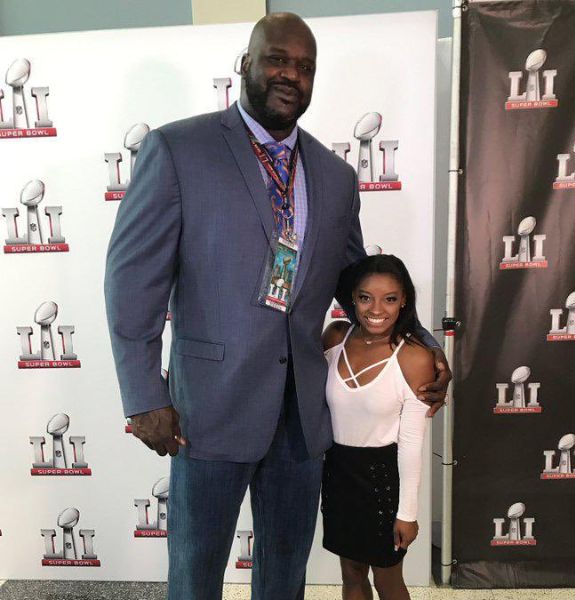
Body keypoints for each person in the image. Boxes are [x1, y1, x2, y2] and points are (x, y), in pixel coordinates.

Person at [104, 13, 451, 599]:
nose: (290, 74)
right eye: (277, 59)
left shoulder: (336, 175)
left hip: (302, 412)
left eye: (305, 66)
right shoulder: (178, 149)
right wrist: (143, 395)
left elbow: (355, 281)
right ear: (246, 64)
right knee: (196, 569)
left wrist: (419, 343)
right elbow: (131, 281)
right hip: (209, 408)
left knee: (286, 571)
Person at [322, 255, 431, 600]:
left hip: (383, 479)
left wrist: (408, 513)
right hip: (338, 474)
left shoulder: (416, 357)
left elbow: (412, 442)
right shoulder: (335, 338)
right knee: (351, 573)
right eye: (366, 297)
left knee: (387, 579)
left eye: (390, 299)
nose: (376, 309)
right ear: (352, 299)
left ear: (405, 301)